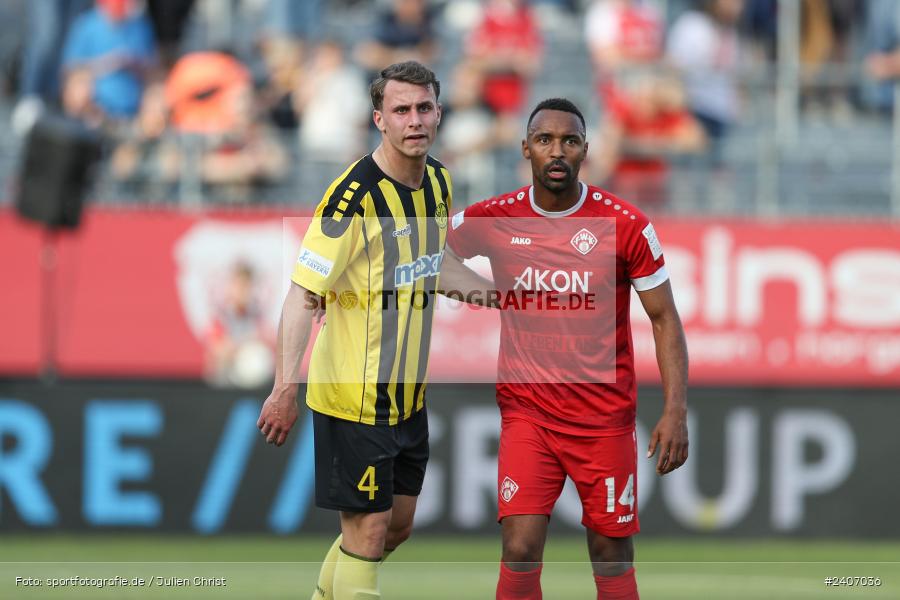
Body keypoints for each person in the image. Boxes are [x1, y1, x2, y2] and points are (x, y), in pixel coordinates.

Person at [443, 98, 689, 599]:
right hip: (528, 413)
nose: (557, 151)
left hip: (603, 418)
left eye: (569, 141)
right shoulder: (497, 216)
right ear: (525, 148)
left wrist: (675, 410)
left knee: (610, 552)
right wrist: (494, 295)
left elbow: (664, 318)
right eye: (545, 140)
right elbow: (431, 254)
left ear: (585, 150)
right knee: (519, 547)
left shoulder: (626, 224)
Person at [256, 61, 482, 600]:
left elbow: (434, 264)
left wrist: (506, 296)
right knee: (369, 530)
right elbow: (302, 293)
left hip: (407, 395)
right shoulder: (352, 198)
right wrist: (285, 387)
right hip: (353, 394)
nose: (414, 120)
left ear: (439, 113)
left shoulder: (439, 182)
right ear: (379, 119)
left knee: (395, 528)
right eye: (401, 110)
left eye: (424, 108)